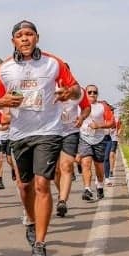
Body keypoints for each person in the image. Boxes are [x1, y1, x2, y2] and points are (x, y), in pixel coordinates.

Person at [0, 20, 80, 256]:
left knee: (42, 184)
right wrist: (2, 101)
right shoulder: (5, 69)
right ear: (13, 41)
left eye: (29, 34)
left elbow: (76, 89)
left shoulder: (53, 63)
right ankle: (30, 219)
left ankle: (40, 244)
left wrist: (68, 93)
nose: (25, 39)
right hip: (19, 134)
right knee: (25, 187)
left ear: (37, 37)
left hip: (48, 131)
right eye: (20, 35)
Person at [54, 85, 90, 217]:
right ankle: (61, 193)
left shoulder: (78, 91)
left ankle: (62, 201)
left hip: (71, 132)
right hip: (51, 133)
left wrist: (82, 117)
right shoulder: (48, 87)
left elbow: (86, 107)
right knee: (56, 171)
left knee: (67, 166)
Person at [78, 85, 114, 201]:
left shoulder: (102, 107)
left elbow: (112, 122)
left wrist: (98, 125)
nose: (92, 94)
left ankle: (99, 186)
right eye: (90, 92)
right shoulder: (79, 106)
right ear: (85, 93)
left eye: (95, 92)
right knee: (86, 163)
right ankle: (87, 189)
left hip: (99, 139)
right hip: (84, 137)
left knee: (99, 167)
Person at [104, 106, 121, 186]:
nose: (111, 111)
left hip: (114, 138)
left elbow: (120, 127)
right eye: (109, 110)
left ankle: (111, 170)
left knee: (111, 155)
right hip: (106, 137)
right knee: (106, 156)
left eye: (112, 110)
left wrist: (118, 133)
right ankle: (108, 171)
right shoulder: (104, 117)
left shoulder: (117, 118)